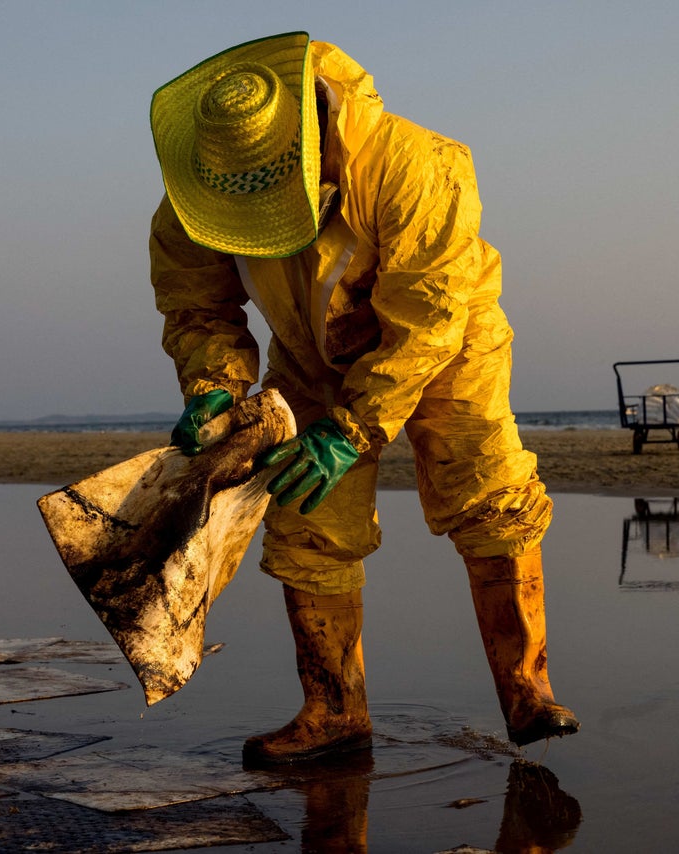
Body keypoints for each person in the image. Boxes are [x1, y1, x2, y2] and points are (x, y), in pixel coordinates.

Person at [148, 32, 579, 765]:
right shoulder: (197, 198)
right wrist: (214, 388)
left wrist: (358, 426)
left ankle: (526, 690)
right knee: (306, 519)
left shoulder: (415, 166)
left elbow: (430, 310)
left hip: (447, 340)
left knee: (488, 492)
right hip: (311, 354)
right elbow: (198, 308)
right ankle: (333, 709)